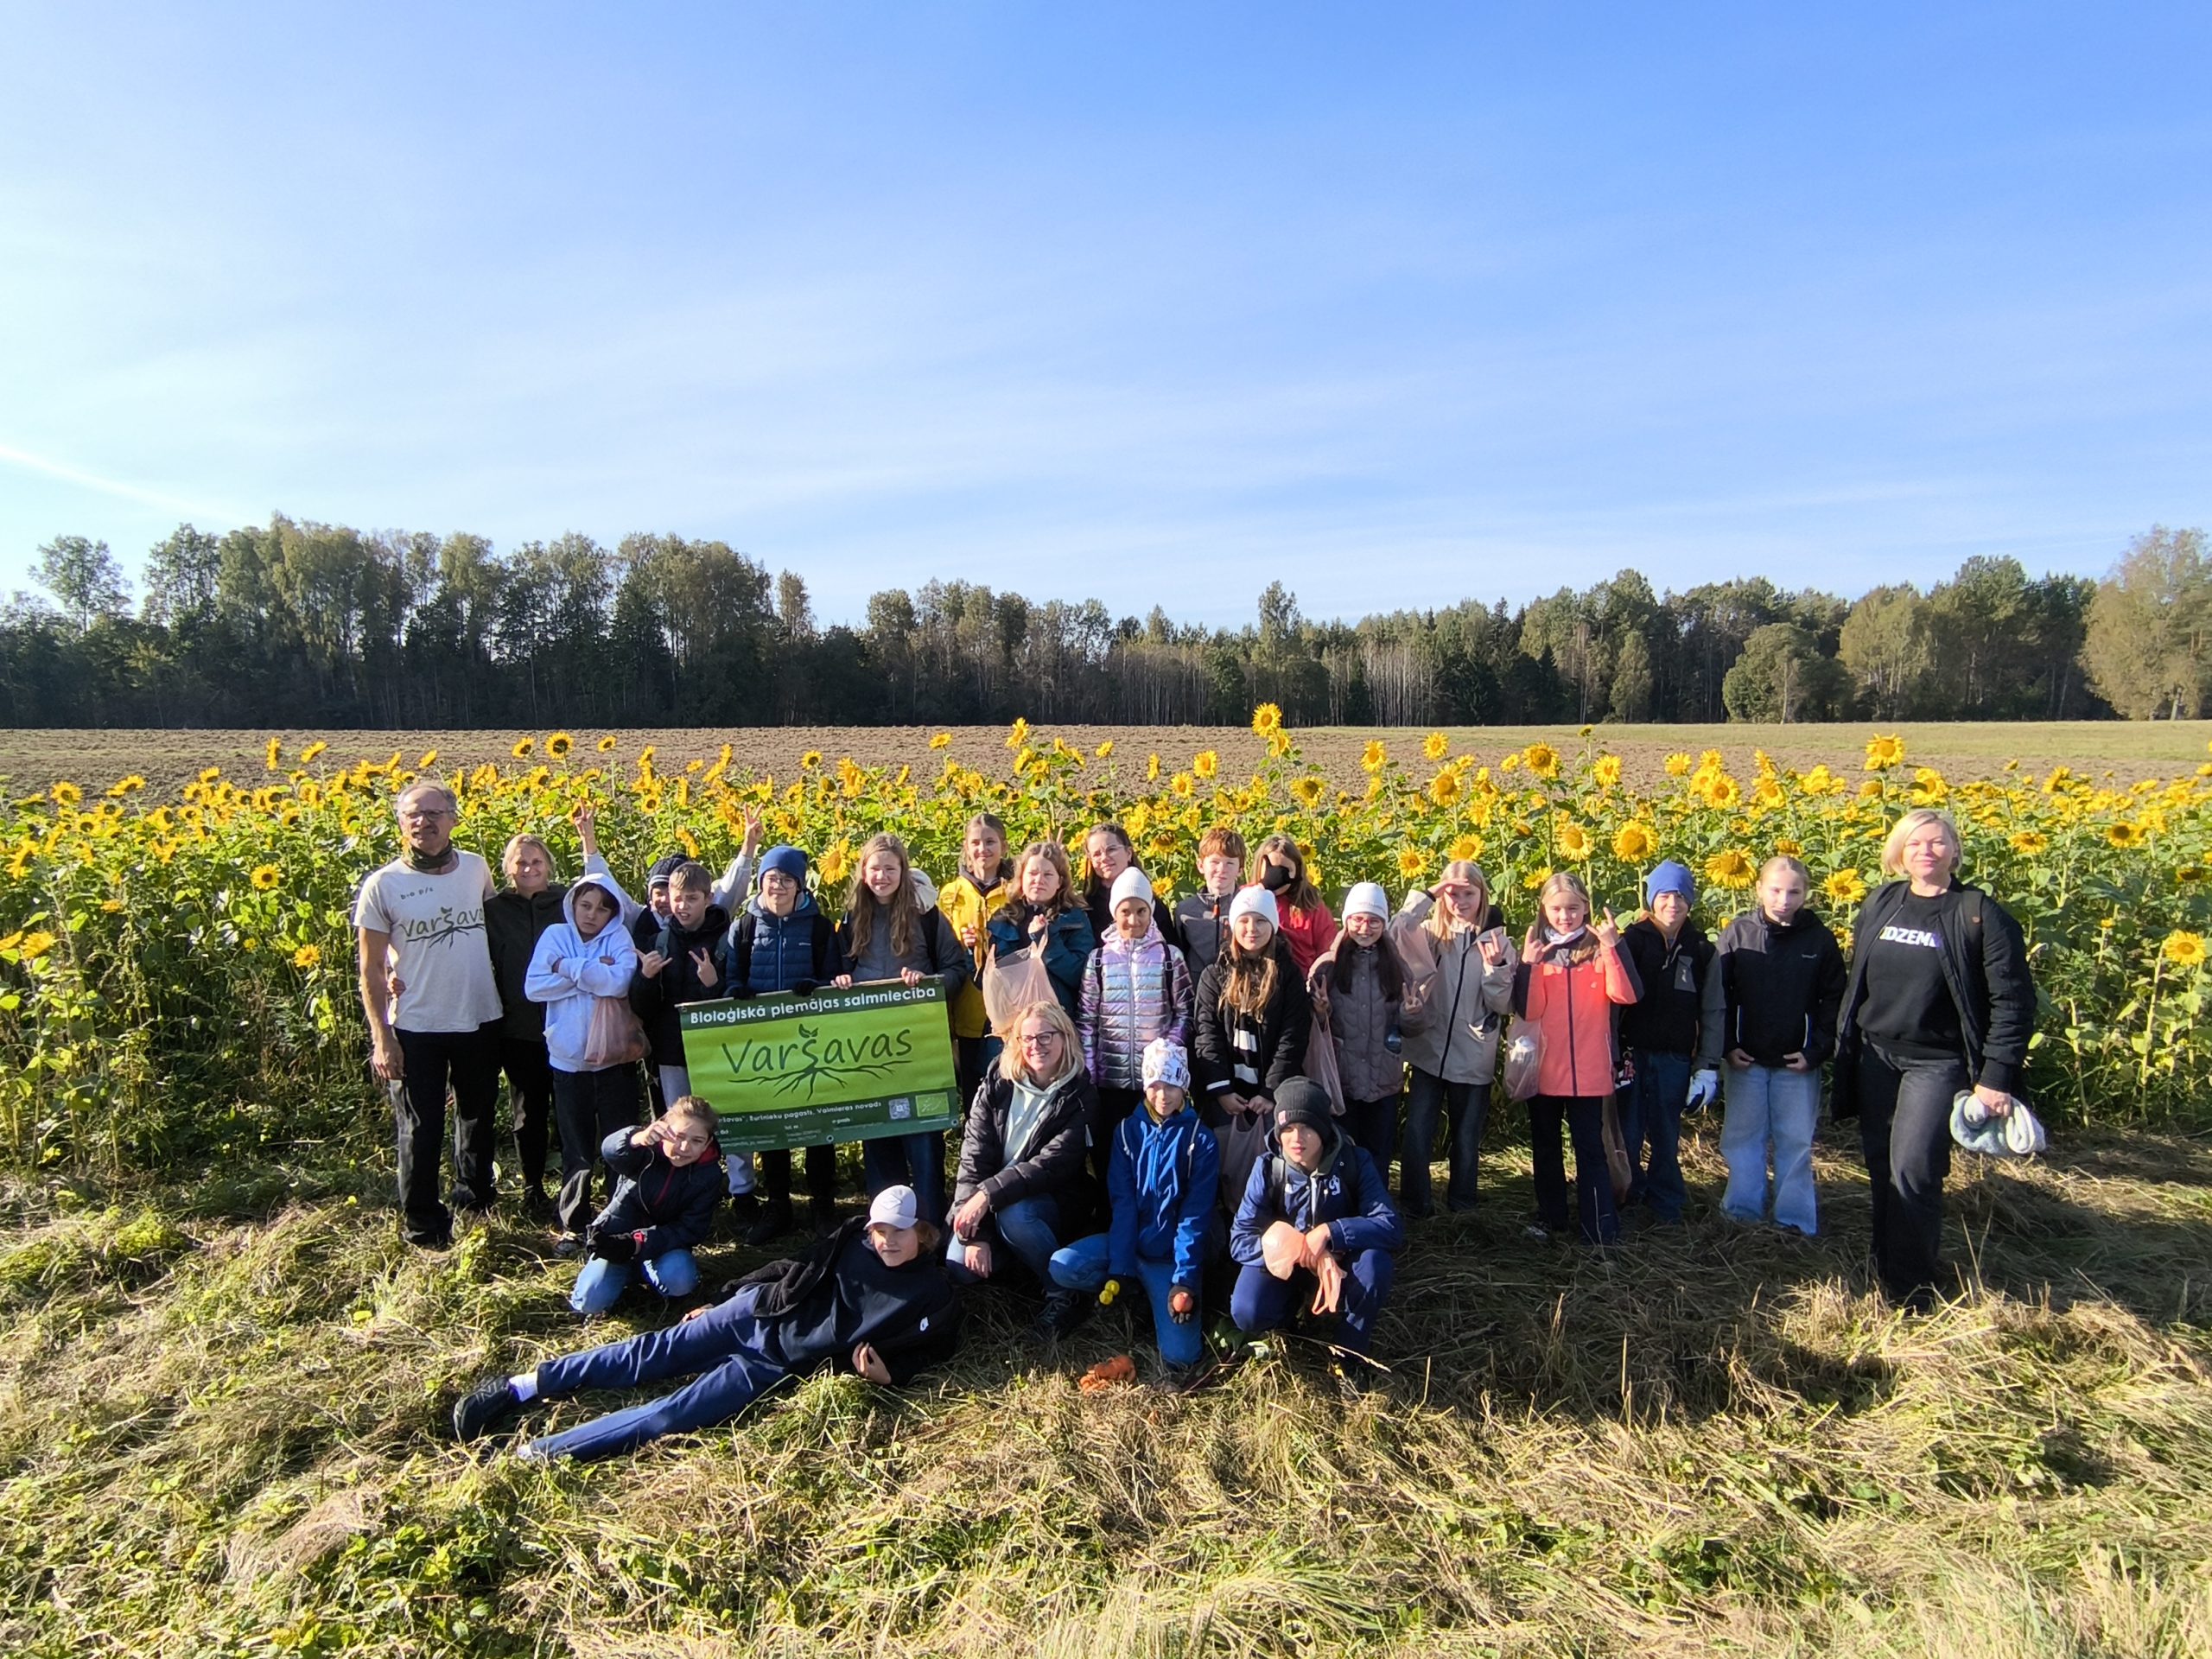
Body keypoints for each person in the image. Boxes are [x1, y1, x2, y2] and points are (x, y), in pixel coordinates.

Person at [452, 1185, 961, 1463]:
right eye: (878, 1230)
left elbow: (939, 1345)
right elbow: (794, 1267)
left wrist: (892, 1374)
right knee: (648, 1353)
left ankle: (528, 1455)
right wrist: (727, 1296)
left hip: (775, 1365)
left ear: (922, 1232)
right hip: (753, 1313)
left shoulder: (931, 1292)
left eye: (898, 1232)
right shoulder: (851, 1238)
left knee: (669, 1416)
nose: (885, 1241)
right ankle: (522, 1386)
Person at [1834, 809, 2035, 1312]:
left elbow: (2012, 1001)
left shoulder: (1978, 914)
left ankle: (1912, 1292)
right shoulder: (1882, 902)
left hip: (1937, 1063)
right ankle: (1884, 1264)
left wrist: (1996, 1076)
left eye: (1937, 842)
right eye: (1915, 843)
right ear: (1899, 852)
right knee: (1881, 1164)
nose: (1926, 851)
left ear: (1955, 851)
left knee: (1915, 1169)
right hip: (1877, 1055)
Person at [354, 779, 505, 1249]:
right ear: (400, 823)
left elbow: (496, 932)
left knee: (478, 1117)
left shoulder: (476, 869)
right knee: (421, 1128)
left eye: (434, 813)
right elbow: (370, 971)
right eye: (413, 815)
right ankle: (423, 1224)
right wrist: (383, 1038)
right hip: (417, 1025)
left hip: (480, 1016)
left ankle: (475, 1203)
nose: (423, 822)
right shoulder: (383, 885)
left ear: (453, 819)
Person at [1046, 1039, 1220, 1372]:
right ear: (1144, 1086)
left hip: (1170, 1257)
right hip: (1129, 1245)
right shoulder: (1127, 1132)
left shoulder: (1201, 1140)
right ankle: (1133, 1287)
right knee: (1063, 1265)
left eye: (1172, 1085)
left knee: (1180, 1358)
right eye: (1155, 1086)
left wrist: (1184, 1279)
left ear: (1184, 1086)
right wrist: (1121, 1267)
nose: (1163, 1095)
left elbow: (1195, 1215)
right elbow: (1123, 1204)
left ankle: (1162, 1291)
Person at [1228, 1078, 1404, 1389]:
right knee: (1246, 1309)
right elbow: (1240, 1240)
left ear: (1324, 1129)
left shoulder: (1355, 1161)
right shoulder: (1268, 1168)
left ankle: (1348, 1353)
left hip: (1340, 1266)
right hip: (1288, 1268)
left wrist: (1330, 1232)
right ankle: (1289, 1320)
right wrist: (1300, 1250)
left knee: (1376, 1265)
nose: (1297, 1139)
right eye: (1288, 1128)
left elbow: (1390, 1225)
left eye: (1307, 1127)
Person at [483, 805, 614, 1221]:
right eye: (520, 862)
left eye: (536, 862)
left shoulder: (568, 903)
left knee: (577, 1111)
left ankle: (583, 1186)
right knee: (529, 1111)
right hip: (519, 1024)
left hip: (574, 1021)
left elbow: (606, 905)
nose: (529, 869)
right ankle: (533, 1187)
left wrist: (589, 841)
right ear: (507, 868)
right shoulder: (494, 910)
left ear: (549, 866)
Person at [834, 831, 969, 1228]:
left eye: (890, 869)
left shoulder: (926, 915)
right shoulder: (850, 917)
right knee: (878, 1138)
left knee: (923, 1142)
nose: (882, 876)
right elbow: (836, 970)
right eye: (875, 869)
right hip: (868, 1047)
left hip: (919, 1048)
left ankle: (930, 1228)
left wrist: (929, 984)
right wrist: (841, 980)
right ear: (863, 871)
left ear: (903, 872)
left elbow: (956, 968)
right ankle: (887, 1230)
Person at [1716, 855, 1847, 1237]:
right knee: (1742, 1139)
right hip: (1746, 1059)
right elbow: (1719, 995)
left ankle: (1794, 1221)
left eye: (1793, 892)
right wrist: (1727, 1045)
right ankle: (1741, 1215)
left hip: (1797, 1061)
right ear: (1759, 889)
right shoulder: (1738, 934)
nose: (1783, 900)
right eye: (1775, 890)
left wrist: (1817, 1050)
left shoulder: (1819, 940)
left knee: (1796, 1142)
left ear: (1806, 894)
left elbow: (1834, 1001)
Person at [724, 844, 847, 1244]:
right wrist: (737, 990)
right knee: (772, 1126)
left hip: (810, 1040)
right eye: (771, 878)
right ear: (761, 882)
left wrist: (818, 986)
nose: (777, 886)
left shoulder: (818, 928)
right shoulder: (744, 927)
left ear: (800, 885)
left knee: (818, 1124)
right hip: (763, 1044)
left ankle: (823, 1203)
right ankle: (779, 1203)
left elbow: (833, 976)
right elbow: (732, 974)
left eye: (786, 879)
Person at [1513, 873, 1638, 1246]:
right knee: (1546, 1147)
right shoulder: (1538, 949)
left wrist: (1613, 947)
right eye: (1556, 909)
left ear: (1586, 907)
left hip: (1589, 1071)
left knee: (1591, 1149)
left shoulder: (1600, 947)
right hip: (1545, 1070)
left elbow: (1627, 995)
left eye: (1573, 908)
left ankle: (1598, 1225)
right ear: (1544, 909)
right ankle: (1551, 1217)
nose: (1565, 916)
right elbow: (1529, 1010)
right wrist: (1530, 966)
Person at [629, 860, 756, 1217]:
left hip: (721, 1050)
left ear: (708, 898)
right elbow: (644, 1008)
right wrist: (646, 978)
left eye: (691, 898)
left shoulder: (729, 938)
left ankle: (743, 1192)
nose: (682, 906)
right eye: (677, 898)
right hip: (673, 1051)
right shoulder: (658, 942)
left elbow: (738, 997)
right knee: (679, 1127)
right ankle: (682, 1192)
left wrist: (713, 984)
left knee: (730, 1121)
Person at [947, 1001, 1095, 1306]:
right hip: (992, 1198)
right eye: (1027, 1038)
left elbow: (1049, 1166)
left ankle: (1061, 1292)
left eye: (1045, 1036)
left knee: (1016, 1216)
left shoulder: (1081, 1094)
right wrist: (977, 1235)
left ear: (1065, 1037)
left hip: (1049, 1200)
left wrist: (985, 1196)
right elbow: (974, 1156)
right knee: (959, 1264)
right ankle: (1020, 1266)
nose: (1035, 1046)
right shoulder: (997, 1080)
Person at [525, 873, 644, 1253]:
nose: (592, 915)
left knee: (619, 1144)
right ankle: (574, 1224)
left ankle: (617, 1219)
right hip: (568, 1060)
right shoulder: (555, 936)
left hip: (614, 1059)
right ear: (573, 905)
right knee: (576, 1146)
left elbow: (619, 983)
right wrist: (592, 971)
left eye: (602, 909)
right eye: (585, 905)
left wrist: (567, 967)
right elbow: (534, 987)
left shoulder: (619, 938)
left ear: (613, 913)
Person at [1391, 862, 1514, 1217]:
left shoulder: (1498, 941)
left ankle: (1462, 1207)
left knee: (1465, 1136)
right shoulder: (1431, 933)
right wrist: (1427, 896)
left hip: (1473, 1050)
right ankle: (1415, 1205)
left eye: (1468, 894)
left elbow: (1504, 1004)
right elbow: (1396, 932)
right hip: (1429, 1047)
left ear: (1482, 895)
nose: (1460, 901)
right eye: (1452, 893)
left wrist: (1496, 968)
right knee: (1418, 1131)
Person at [1615, 860, 1725, 1225]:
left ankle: (1666, 1203)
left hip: (1676, 1058)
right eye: (1664, 895)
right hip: (1631, 1054)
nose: (1672, 904)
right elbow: (1613, 1003)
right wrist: (1610, 1052)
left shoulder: (1702, 950)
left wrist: (1708, 1065)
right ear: (1651, 899)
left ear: (1690, 901)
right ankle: (1628, 1195)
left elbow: (1713, 1010)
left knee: (1666, 1132)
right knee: (1629, 1130)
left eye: (1680, 896)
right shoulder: (1631, 941)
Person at [1077, 867, 1194, 1192]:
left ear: (1151, 910)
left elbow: (1185, 1013)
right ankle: (1111, 1216)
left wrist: (1165, 1053)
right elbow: (1086, 1021)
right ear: (1114, 914)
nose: (1133, 920)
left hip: (1156, 1085)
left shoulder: (1170, 958)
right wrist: (1090, 1073)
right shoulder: (1098, 960)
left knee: (1155, 1161)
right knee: (1111, 1159)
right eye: (1125, 912)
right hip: (1109, 1082)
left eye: (1141, 910)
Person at [569, 1098, 725, 1316]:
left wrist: (638, 1243)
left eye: (697, 1141)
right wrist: (636, 1138)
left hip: (664, 1249)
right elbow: (610, 1150)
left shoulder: (710, 1174)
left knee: (680, 1280)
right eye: (678, 1136)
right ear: (664, 1130)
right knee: (589, 1303)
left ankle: (648, 1275)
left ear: (707, 1144)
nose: (684, 1148)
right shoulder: (643, 1150)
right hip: (615, 1240)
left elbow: (691, 1229)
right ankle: (619, 1275)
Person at [1306, 881, 1414, 1183]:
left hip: (1384, 1077)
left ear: (1384, 923)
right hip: (1343, 1077)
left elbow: (1410, 1027)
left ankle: (1375, 1204)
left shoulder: (1397, 967)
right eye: (1357, 919)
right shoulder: (1327, 967)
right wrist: (1321, 1011)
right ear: (1346, 920)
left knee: (1379, 1151)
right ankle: (1344, 1204)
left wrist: (1412, 1014)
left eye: (1374, 921)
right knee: (1342, 1149)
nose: (1365, 928)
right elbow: (1314, 1028)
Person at [1192, 887, 1313, 1128]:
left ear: (1273, 926)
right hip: (1226, 1093)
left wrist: (1271, 1091)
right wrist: (1221, 1089)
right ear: (1233, 925)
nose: (1251, 928)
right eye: (1244, 920)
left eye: (1261, 921)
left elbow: (1293, 1037)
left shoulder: (1288, 976)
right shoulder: (1214, 975)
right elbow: (1207, 1035)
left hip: (1271, 1094)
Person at [980, 840, 1095, 1070]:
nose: (1039, 880)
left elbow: (1079, 975)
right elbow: (985, 981)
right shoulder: (1002, 919)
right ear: (1021, 878)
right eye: (1032, 873)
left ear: (1060, 882)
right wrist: (972, 950)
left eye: (1047, 875)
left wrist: (1047, 942)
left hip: (1055, 1029)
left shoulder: (1075, 919)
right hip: (1010, 1032)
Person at [938, 811, 1015, 1114]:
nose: (983, 849)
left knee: (1008, 1087)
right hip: (966, 1008)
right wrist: (962, 943)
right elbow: (940, 950)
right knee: (972, 1092)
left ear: (1003, 846)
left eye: (990, 842)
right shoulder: (950, 895)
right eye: (976, 843)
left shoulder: (1015, 892)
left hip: (1009, 1008)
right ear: (966, 848)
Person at [1080, 822, 1180, 952]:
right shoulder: (1085, 907)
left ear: (1129, 853)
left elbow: (1170, 952)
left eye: (1111, 849)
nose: (1104, 858)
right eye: (1096, 854)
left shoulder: (1150, 903)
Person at [1249, 834, 1338, 978]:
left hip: (1300, 981)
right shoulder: (1246, 899)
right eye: (1271, 869)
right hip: (1255, 980)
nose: (1277, 877)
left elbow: (1328, 951)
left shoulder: (1311, 906)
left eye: (1285, 871)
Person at [1174, 825, 1248, 979]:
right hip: (1198, 987)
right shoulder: (1185, 910)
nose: (1222, 869)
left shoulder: (1248, 907)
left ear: (1240, 869)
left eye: (1230, 863)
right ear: (1201, 866)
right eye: (1215, 862)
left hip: (1239, 984)